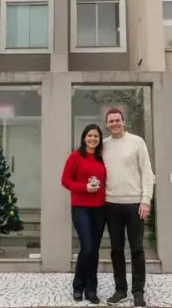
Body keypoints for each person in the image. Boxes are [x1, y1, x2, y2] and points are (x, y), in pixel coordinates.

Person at [102, 108, 154, 307]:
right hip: (111, 204)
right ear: (107, 124)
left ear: (123, 122)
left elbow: (147, 172)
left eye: (118, 120)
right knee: (116, 250)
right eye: (111, 121)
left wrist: (146, 199)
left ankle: (138, 292)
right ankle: (120, 290)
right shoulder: (104, 145)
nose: (115, 124)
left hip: (134, 204)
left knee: (137, 249)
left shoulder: (137, 142)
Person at [60, 124, 107, 304]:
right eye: (90, 136)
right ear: (84, 138)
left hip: (100, 208)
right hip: (81, 207)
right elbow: (65, 180)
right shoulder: (75, 156)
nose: (93, 139)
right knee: (86, 247)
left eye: (96, 136)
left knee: (93, 250)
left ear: (99, 139)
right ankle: (78, 286)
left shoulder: (102, 158)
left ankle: (91, 289)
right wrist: (84, 188)